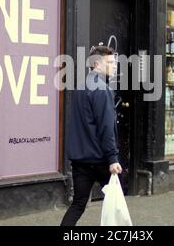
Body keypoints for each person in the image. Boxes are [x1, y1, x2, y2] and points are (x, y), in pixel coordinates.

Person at [60, 45, 122, 226]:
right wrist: (112, 158)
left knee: (78, 205)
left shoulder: (80, 87)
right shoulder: (102, 89)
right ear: (96, 64)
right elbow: (106, 127)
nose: (114, 66)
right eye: (110, 62)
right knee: (116, 205)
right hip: (100, 160)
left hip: (80, 161)